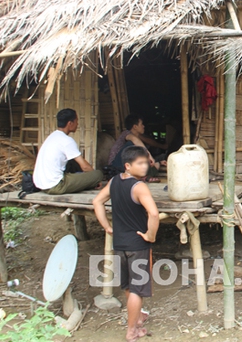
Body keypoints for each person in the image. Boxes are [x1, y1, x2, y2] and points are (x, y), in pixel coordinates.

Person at [93, 146, 159, 342]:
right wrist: (151, 236)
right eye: (140, 163)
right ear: (128, 166)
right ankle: (132, 331)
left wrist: (107, 226)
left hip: (120, 244)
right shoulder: (139, 187)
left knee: (129, 286)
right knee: (138, 289)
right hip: (137, 245)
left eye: (146, 162)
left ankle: (138, 318)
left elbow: (97, 202)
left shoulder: (113, 182)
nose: (145, 166)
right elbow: (154, 214)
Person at [33, 108, 103, 194]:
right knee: (98, 174)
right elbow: (85, 167)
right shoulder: (67, 140)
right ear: (70, 123)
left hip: (41, 184)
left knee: (72, 163)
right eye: (76, 121)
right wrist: (95, 179)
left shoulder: (52, 136)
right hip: (56, 186)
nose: (77, 124)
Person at [108, 114, 167, 182]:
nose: (143, 126)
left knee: (155, 165)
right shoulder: (126, 134)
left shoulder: (137, 136)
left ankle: (144, 175)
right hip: (115, 166)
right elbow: (135, 140)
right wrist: (149, 155)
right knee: (132, 145)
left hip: (125, 166)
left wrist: (162, 147)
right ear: (135, 127)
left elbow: (149, 142)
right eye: (141, 124)